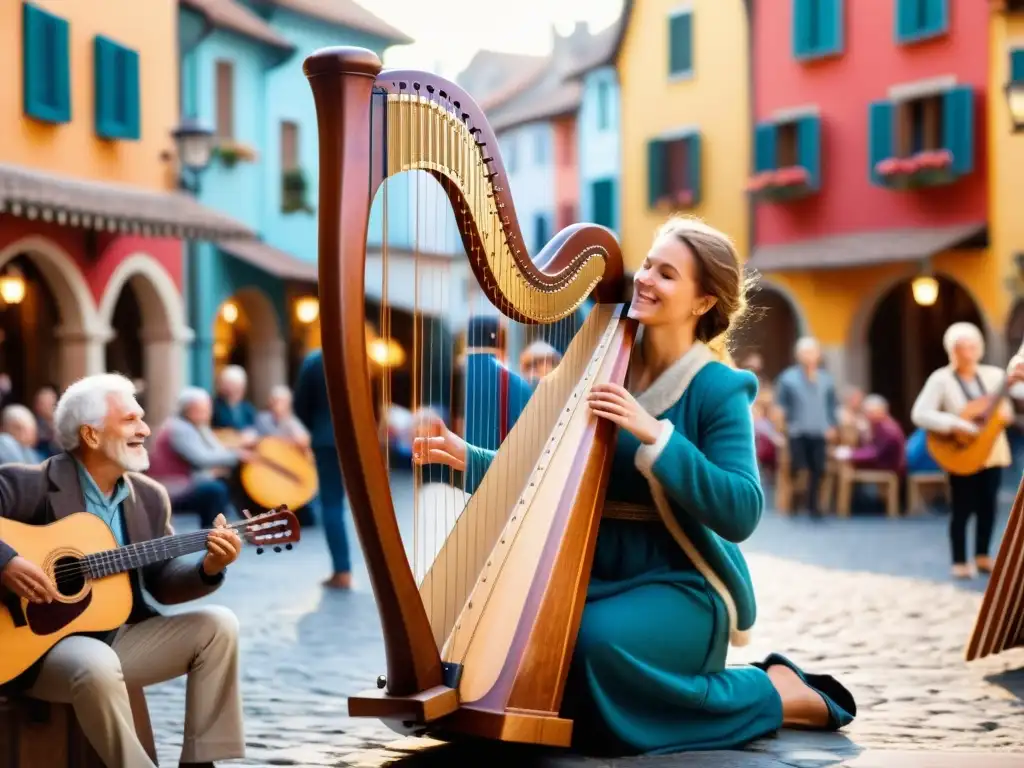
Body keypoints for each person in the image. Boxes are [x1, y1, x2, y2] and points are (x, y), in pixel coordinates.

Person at [411, 216, 855, 756]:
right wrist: (467, 457)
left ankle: (773, 692)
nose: (645, 278)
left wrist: (657, 436)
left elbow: (743, 510)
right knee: (529, 656)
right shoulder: (600, 362)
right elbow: (544, 471)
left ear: (702, 302)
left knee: (588, 649)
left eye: (667, 274)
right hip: (589, 573)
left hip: (680, 582)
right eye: (648, 264)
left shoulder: (717, 388)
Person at [0, 374, 244, 767]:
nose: (145, 429)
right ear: (91, 435)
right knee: (96, 662)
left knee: (219, 626)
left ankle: (201, 761)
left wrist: (209, 566)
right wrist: (7, 561)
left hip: (120, 640)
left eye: (142, 419)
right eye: (130, 420)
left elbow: (163, 582)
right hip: (36, 650)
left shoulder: (148, 497)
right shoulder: (32, 484)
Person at [911, 322, 1023, 579]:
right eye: (961, 347)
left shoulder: (994, 376)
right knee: (962, 507)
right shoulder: (941, 379)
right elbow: (920, 413)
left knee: (988, 505)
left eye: (972, 346)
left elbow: (1014, 397)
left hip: (993, 450)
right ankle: (959, 559)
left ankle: (983, 555)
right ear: (952, 350)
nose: (968, 352)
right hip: (960, 450)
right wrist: (955, 424)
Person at [294, 348, 351, 589]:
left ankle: (342, 571)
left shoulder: (315, 360)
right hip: (355, 441)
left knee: (332, 504)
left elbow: (300, 405)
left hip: (326, 441)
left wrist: (318, 428)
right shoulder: (354, 355)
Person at [148, 387, 246, 527]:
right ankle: (212, 534)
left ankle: (224, 530)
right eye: (201, 410)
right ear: (187, 409)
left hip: (187, 481)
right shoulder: (178, 428)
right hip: (171, 486)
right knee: (215, 490)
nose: (207, 414)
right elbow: (201, 459)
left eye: (207, 409)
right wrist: (237, 456)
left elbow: (217, 450)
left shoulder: (196, 426)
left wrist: (233, 454)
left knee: (222, 481)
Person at [774, 337, 838, 518]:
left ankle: (813, 507)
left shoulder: (827, 379)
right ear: (798, 355)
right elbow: (781, 405)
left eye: (812, 352)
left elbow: (832, 404)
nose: (808, 356)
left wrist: (832, 425)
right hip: (797, 430)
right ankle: (794, 503)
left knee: (818, 468)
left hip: (820, 430)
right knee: (799, 468)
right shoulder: (788, 378)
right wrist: (780, 427)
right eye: (804, 353)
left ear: (818, 355)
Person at [833, 395, 906, 474]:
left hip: (887, 469)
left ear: (880, 411)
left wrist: (851, 454)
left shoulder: (887, 429)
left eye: (870, 412)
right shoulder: (879, 425)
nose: (867, 416)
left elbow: (875, 452)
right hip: (881, 465)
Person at [212, 364, 258, 433]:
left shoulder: (247, 407)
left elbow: (254, 426)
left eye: (241, 386)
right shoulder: (215, 406)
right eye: (233, 386)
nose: (239, 391)